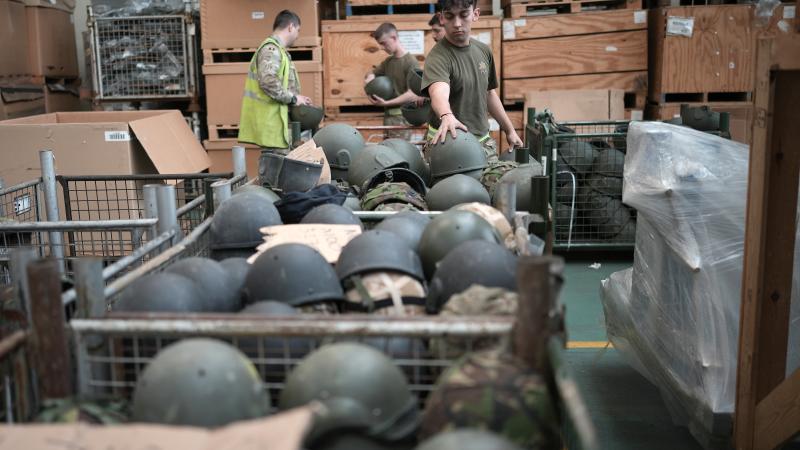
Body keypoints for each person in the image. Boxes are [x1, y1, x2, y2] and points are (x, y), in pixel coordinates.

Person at [421, 0, 523, 161]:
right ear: (441, 19)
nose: (457, 23)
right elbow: (438, 91)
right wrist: (446, 114)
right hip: (447, 145)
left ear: (475, 15)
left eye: (464, 15)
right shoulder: (437, 57)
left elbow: (489, 94)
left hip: (483, 142)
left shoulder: (483, 51)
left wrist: (509, 130)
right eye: (450, 16)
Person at [238, 10, 312, 184]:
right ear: (291, 26)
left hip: (277, 126)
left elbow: (280, 83)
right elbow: (269, 82)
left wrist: (297, 97)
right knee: (272, 182)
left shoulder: (279, 51)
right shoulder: (271, 50)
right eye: (298, 30)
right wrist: (294, 99)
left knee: (281, 180)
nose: (297, 35)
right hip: (270, 125)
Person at [364, 22, 424, 140]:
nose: (382, 47)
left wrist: (386, 103)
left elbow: (413, 94)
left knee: (398, 154)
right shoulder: (388, 62)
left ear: (394, 38)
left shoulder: (411, 62)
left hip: (401, 118)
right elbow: (371, 73)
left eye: (383, 43)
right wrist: (370, 76)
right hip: (388, 117)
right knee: (388, 153)